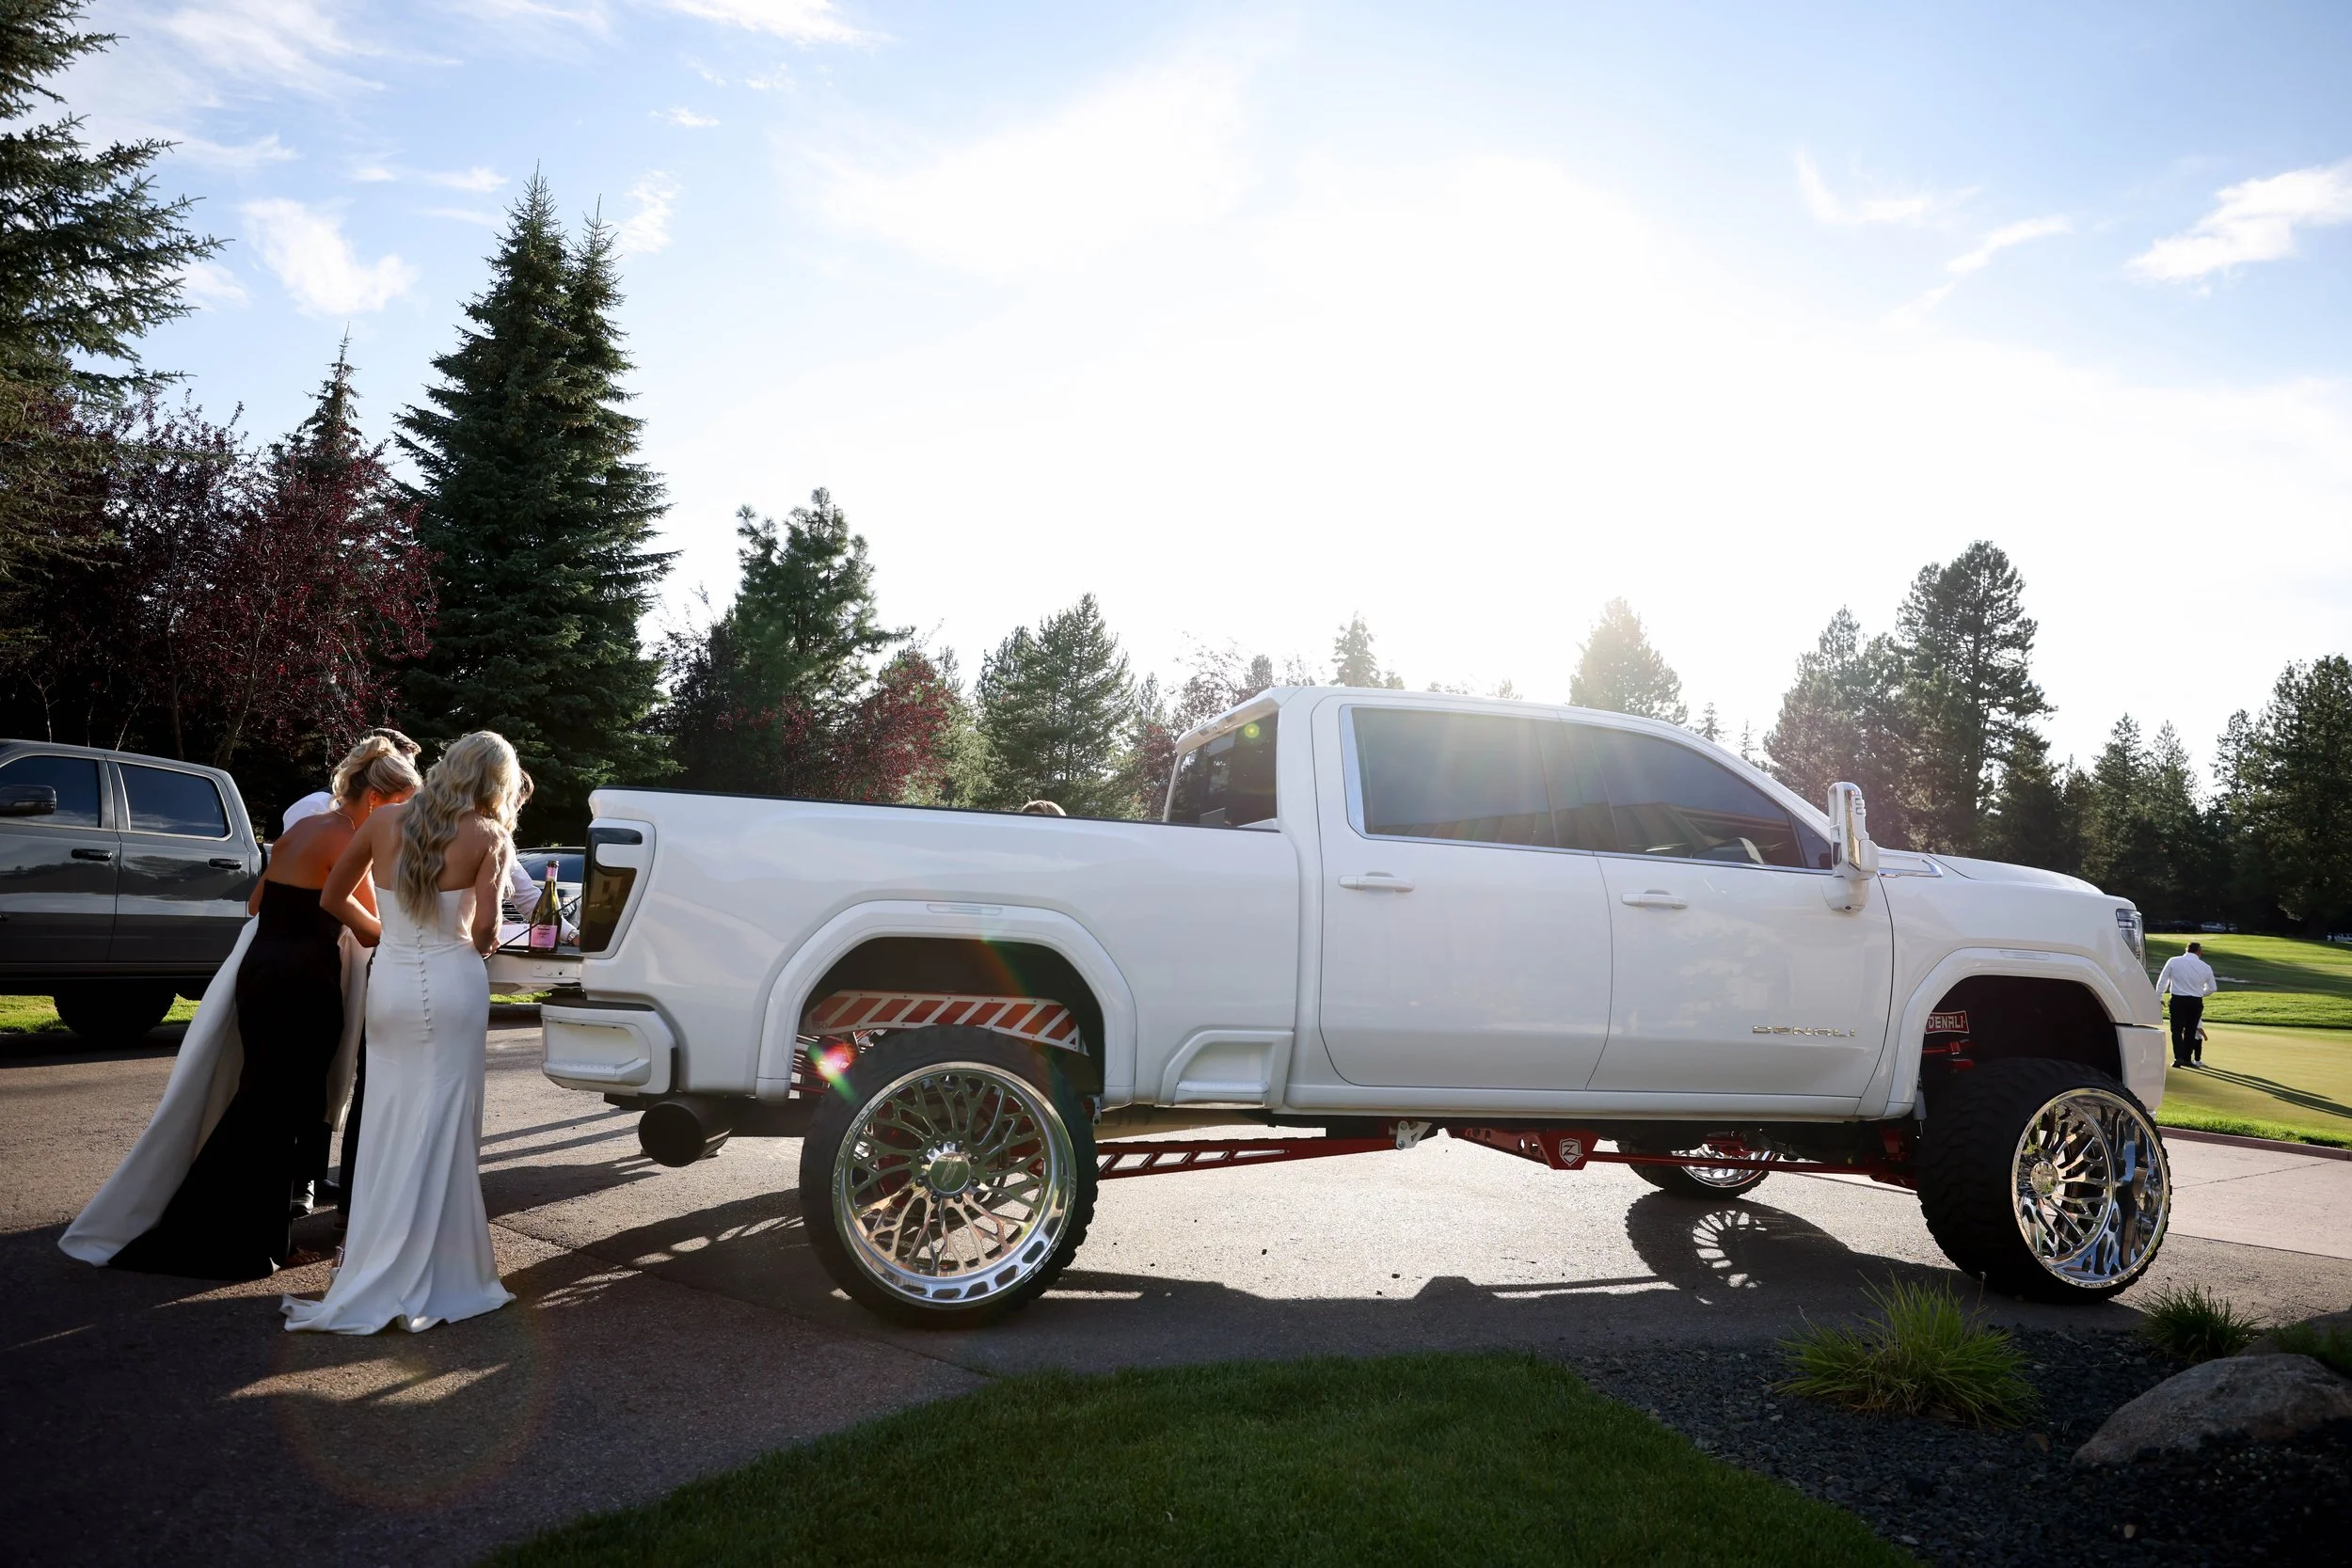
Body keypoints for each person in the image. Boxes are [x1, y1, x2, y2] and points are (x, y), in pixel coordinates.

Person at [62, 735, 421, 1278]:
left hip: (263, 970)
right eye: (399, 807)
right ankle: (256, 1242)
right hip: (304, 979)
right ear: (376, 799)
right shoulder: (350, 840)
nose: (401, 820)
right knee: (286, 1110)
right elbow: (372, 929)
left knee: (259, 1101)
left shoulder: (303, 829)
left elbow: (257, 903)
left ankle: (250, 1232)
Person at [286, 731, 521, 1334]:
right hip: (453, 984)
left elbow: (334, 896)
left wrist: (383, 935)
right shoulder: (488, 836)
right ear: (495, 782)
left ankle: (373, 1259)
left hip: (390, 983)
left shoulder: (385, 820)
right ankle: (438, 1266)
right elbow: (484, 933)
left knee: (388, 1117)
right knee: (445, 1122)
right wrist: (481, 941)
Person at [2156, 941, 2219, 1069]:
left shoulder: (2173, 961)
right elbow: (2212, 988)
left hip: (2178, 999)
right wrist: (2199, 993)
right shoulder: (2206, 967)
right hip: (2195, 1001)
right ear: (2199, 952)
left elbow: (2163, 980)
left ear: (2186, 950)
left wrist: (2159, 996)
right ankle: (2187, 1059)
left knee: (2177, 1030)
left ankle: (2178, 1058)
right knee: (2191, 1031)